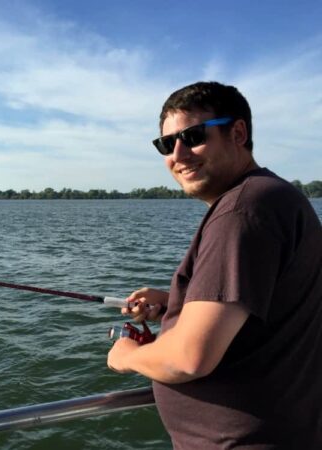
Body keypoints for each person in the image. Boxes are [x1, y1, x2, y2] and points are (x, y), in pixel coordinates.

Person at [107, 81, 322, 449]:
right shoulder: (273, 198)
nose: (179, 154)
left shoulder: (241, 211)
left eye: (193, 136)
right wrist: (179, 302)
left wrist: (130, 356)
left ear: (237, 133)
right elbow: (270, 305)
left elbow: (190, 358)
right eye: (166, 144)